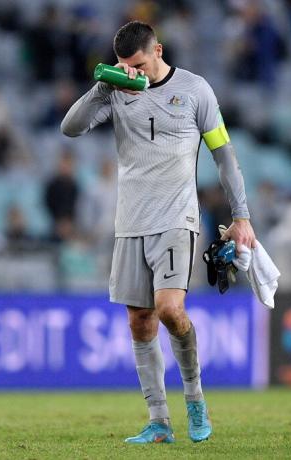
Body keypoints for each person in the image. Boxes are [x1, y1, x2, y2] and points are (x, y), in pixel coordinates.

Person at [61, 21, 256, 444]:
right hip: (130, 223)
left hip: (176, 219)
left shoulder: (195, 90)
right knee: (140, 321)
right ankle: (159, 422)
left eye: (140, 64)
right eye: (124, 65)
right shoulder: (117, 91)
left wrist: (242, 215)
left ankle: (195, 399)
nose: (135, 72)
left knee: (170, 310)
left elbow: (224, 155)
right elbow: (70, 128)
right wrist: (104, 87)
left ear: (159, 51)